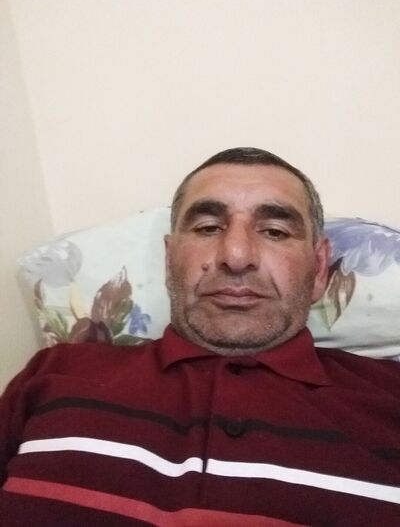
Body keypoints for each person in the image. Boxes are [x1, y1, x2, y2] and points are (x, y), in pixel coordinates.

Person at [0, 147, 399, 526]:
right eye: (208, 228)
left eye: (275, 231)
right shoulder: (56, 372)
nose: (236, 256)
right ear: (169, 259)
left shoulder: (389, 396)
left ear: (319, 269)